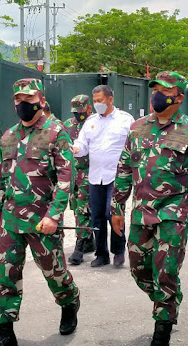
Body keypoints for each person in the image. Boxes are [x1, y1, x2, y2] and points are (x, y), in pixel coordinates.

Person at [110, 71, 188, 346]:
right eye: (156, 88)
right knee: (138, 269)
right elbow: (124, 169)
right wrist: (117, 208)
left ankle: (161, 332)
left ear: (179, 97)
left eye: (165, 89)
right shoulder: (137, 128)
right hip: (141, 212)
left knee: (166, 272)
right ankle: (169, 300)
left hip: (174, 213)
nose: (158, 94)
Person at [0, 78, 80, 346]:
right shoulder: (8, 136)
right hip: (12, 221)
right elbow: (0, 177)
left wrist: (54, 215)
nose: (23, 103)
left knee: (54, 273)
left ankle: (69, 301)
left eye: (29, 98)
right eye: (18, 99)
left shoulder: (56, 132)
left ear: (40, 99)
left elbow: (65, 179)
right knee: (5, 276)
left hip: (42, 221)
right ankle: (5, 335)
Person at [72, 85, 134, 268]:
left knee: (113, 213)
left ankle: (118, 251)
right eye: (95, 101)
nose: (97, 104)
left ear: (110, 99)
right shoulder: (91, 122)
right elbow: (82, 144)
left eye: (100, 100)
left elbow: (134, 145)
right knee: (97, 216)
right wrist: (76, 149)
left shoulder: (125, 120)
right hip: (95, 176)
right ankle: (101, 254)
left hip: (117, 177)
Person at [64, 95, 96, 265]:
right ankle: (89, 240)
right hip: (73, 174)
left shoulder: (96, 123)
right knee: (76, 207)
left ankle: (80, 245)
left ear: (88, 108)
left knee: (83, 209)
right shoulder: (68, 125)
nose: (78, 115)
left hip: (91, 172)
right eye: (75, 112)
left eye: (81, 111)